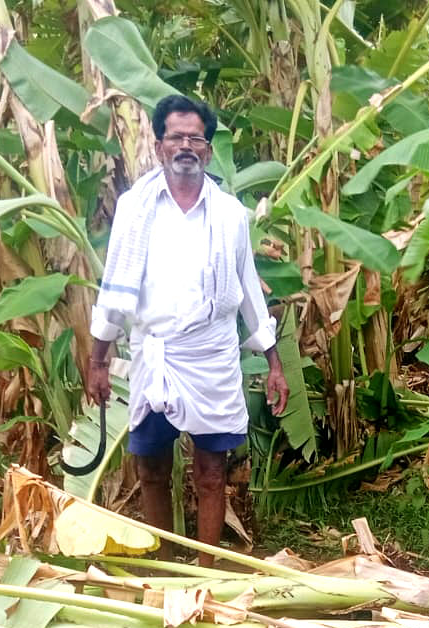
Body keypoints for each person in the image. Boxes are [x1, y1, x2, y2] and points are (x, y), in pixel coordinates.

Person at [84, 94, 289, 565]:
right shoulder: (135, 209)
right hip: (153, 352)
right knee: (152, 466)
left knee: (212, 470)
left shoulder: (231, 215)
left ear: (208, 150)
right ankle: (162, 567)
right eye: (176, 136)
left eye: (196, 138)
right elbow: (114, 288)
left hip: (210, 356)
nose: (186, 146)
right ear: (159, 146)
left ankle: (207, 570)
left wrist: (274, 362)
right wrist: (98, 361)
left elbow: (249, 294)